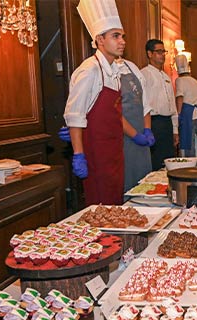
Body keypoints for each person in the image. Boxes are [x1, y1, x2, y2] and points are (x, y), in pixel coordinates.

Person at [60, 0, 148, 205]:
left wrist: (136, 135)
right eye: (116, 36)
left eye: (123, 36)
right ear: (99, 39)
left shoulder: (115, 72)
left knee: (115, 201)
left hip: (114, 151)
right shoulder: (89, 70)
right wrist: (79, 154)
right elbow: (75, 115)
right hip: (96, 153)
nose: (122, 41)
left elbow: (116, 115)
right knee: (100, 206)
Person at [116, 54, 154, 192]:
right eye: (116, 37)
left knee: (143, 180)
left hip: (140, 131)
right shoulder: (103, 71)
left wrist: (147, 129)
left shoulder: (131, 67)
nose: (122, 42)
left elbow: (145, 103)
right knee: (126, 179)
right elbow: (114, 112)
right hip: (121, 136)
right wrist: (134, 135)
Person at [141, 39, 178, 170]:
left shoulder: (166, 76)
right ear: (150, 54)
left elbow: (172, 106)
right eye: (158, 51)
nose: (162, 55)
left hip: (167, 123)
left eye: (164, 52)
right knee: (156, 160)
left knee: (169, 160)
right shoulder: (144, 74)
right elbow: (143, 103)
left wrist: (175, 130)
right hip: (153, 123)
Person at [174, 54, 197, 157]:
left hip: (188, 114)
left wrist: (178, 114)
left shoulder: (179, 80)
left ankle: (190, 162)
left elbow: (180, 97)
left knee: (188, 140)